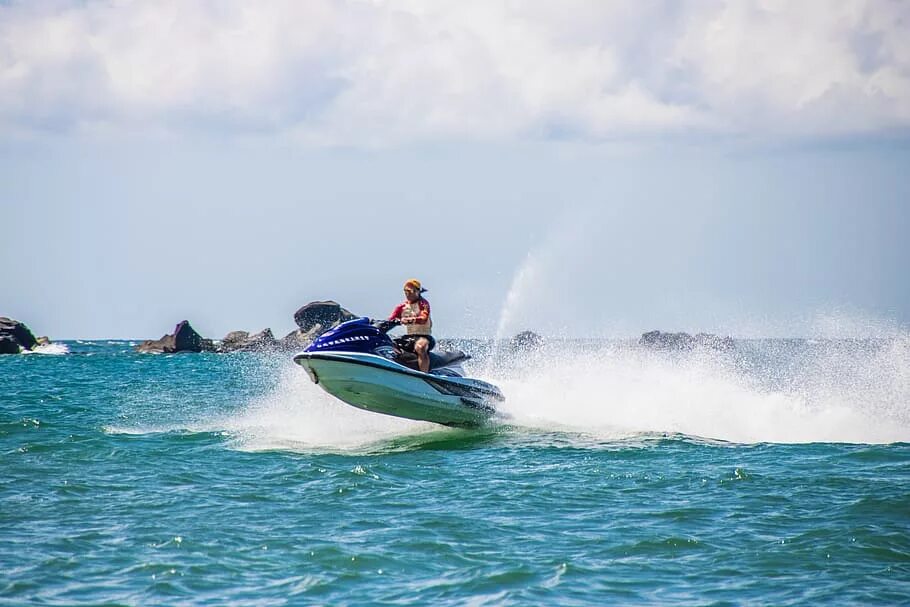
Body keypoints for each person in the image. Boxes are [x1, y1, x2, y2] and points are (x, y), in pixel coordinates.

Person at [388, 278, 435, 372]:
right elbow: (390, 321)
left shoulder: (423, 304)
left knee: (420, 347)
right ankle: (400, 367)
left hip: (424, 337)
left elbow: (423, 318)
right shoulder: (401, 307)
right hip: (410, 338)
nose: (408, 293)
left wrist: (410, 320)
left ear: (418, 291)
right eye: (406, 291)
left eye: (411, 291)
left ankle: (424, 375)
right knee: (388, 343)